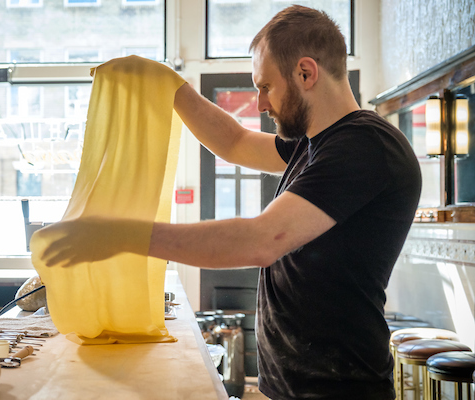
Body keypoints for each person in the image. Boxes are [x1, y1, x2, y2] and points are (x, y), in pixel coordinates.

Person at [38, 5, 421, 399]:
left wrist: (122, 236)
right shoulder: (315, 144)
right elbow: (234, 143)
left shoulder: (364, 145)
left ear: (306, 73)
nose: (259, 103)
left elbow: (261, 240)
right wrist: (171, 86)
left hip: (339, 389)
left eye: (266, 86)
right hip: (298, 385)